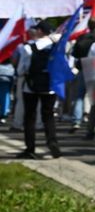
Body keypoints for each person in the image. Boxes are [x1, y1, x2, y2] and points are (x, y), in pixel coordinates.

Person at [15, 19, 61, 159]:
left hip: (31, 85)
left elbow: (21, 69)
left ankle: (30, 148)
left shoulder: (28, 47)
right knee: (48, 116)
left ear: (40, 31)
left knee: (30, 117)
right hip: (50, 86)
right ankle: (52, 142)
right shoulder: (58, 47)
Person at [68, 16, 95, 132]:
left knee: (79, 96)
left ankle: (76, 121)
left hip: (83, 68)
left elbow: (75, 54)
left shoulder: (81, 38)